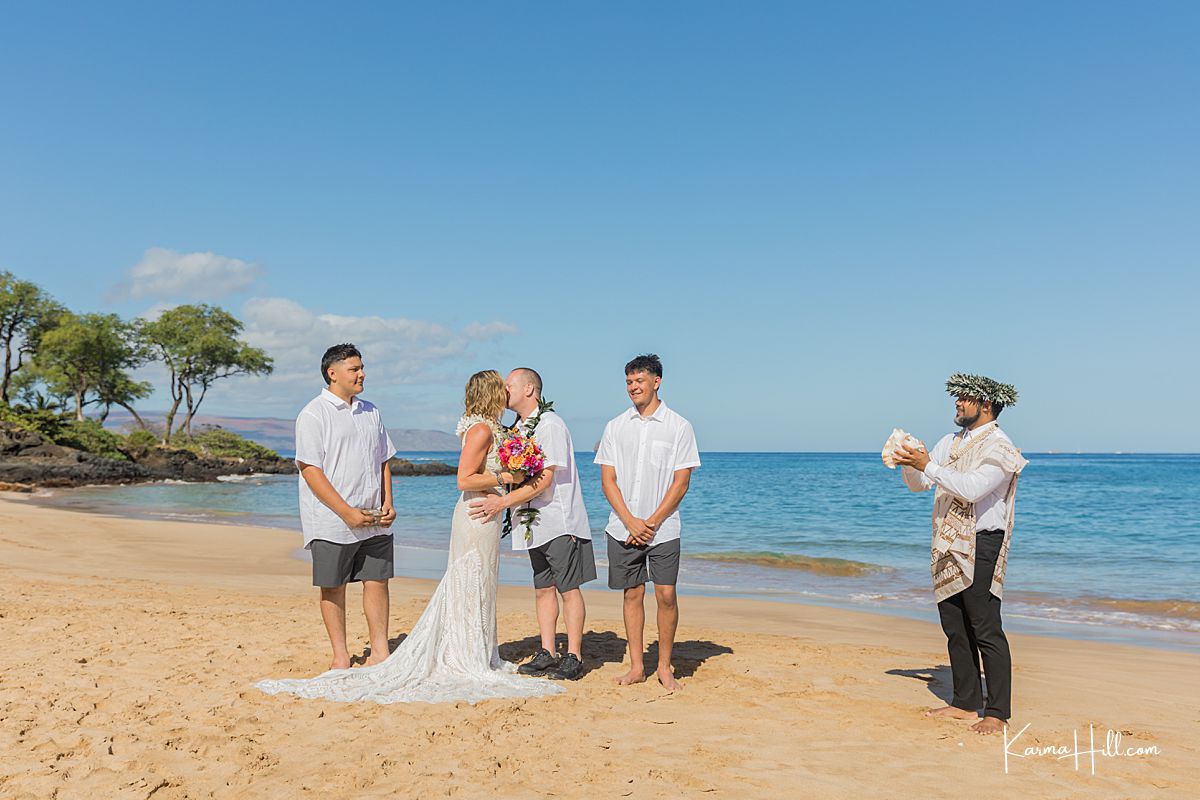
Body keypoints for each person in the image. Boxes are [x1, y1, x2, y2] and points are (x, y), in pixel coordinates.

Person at [257, 369, 564, 704]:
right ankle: (466, 654)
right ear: (491, 393)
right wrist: (507, 475)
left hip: (484, 512)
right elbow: (464, 479)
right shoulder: (480, 431)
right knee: (470, 579)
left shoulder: (491, 429)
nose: (507, 394)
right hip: (478, 511)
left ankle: (474, 648)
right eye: (502, 389)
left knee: (480, 581)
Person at [893, 373, 1028, 735]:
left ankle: (997, 712)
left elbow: (971, 489)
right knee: (954, 625)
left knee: (985, 627)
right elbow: (920, 485)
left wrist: (928, 466)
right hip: (948, 542)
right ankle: (966, 704)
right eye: (957, 398)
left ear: (986, 405)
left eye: (965, 398)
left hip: (983, 542)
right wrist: (910, 461)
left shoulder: (1000, 447)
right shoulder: (950, 442)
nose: (957, 403)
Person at [469, 368, 596, 681]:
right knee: (542, 589)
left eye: (508, 385)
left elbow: (544, 478)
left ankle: (575, 656)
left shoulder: (550, 424)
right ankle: (548, 652)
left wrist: (501, 502)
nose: (503, 390)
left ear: (529, 389)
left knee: (568, 589)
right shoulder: (518, 428)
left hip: (558, 520)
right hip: (532, 523)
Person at [595, 354, 700, 692]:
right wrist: (629, 520)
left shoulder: (679, 426)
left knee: (666, 594)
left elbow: (680, 482)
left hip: (664, 529)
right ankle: (638, 666)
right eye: (628, 382)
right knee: (632, 593)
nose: (633, 388)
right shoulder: (615, 426)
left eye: (639, 381)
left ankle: (664, 666)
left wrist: (651, 523)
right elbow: (608, 480)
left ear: (657, 382)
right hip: (622, 526)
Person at [290, 343, 397, 671]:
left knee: (377, 581)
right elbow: (310, 470)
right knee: (333, 586)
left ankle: (381, 651)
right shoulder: (313, 414)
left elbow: (383, 461)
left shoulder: (371, 411)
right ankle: (340, 655)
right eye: (354, 368)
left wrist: (388, 502)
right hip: (332, 520)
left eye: (362, 367)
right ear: (332, 373)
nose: (362, 373)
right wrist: (346, 512)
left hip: (375, 516)